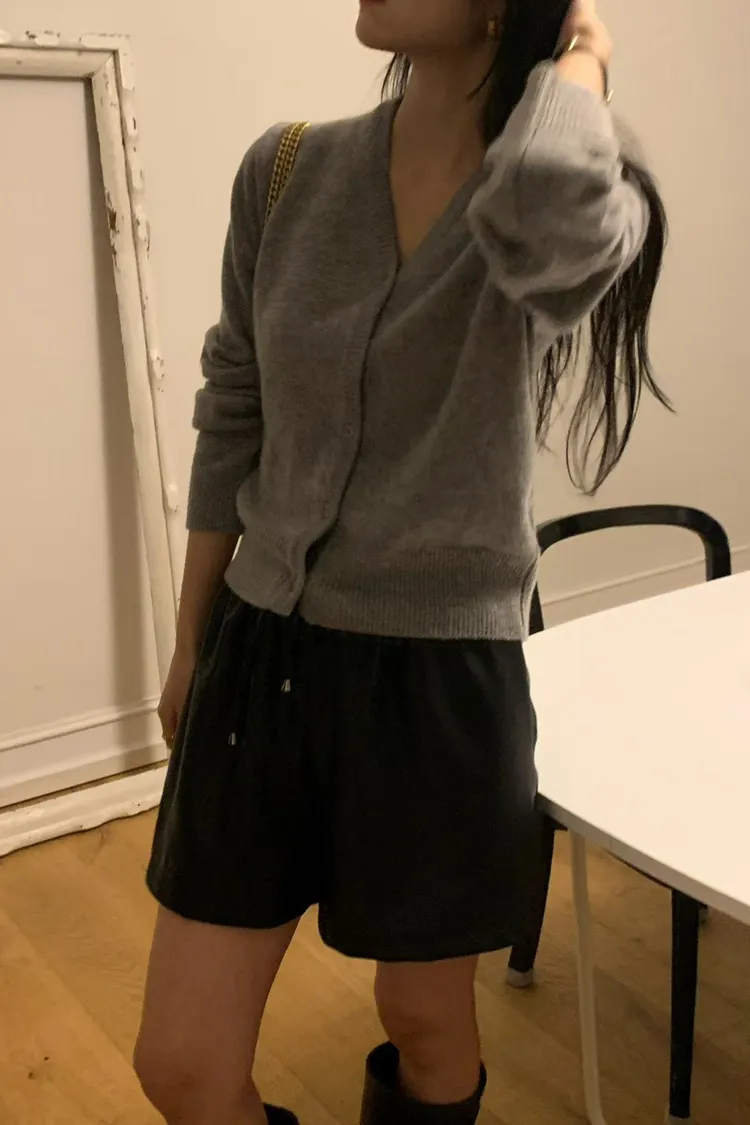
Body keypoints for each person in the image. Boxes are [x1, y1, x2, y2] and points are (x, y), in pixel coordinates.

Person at [135, 1, 669, 1123]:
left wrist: (582, 49)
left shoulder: (564, 188)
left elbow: (544, 196)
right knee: (179, 1063)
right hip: (260, 655)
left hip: (437, 681)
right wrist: (191, 639)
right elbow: (236, 407)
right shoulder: (285, 169)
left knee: (424, 1016)